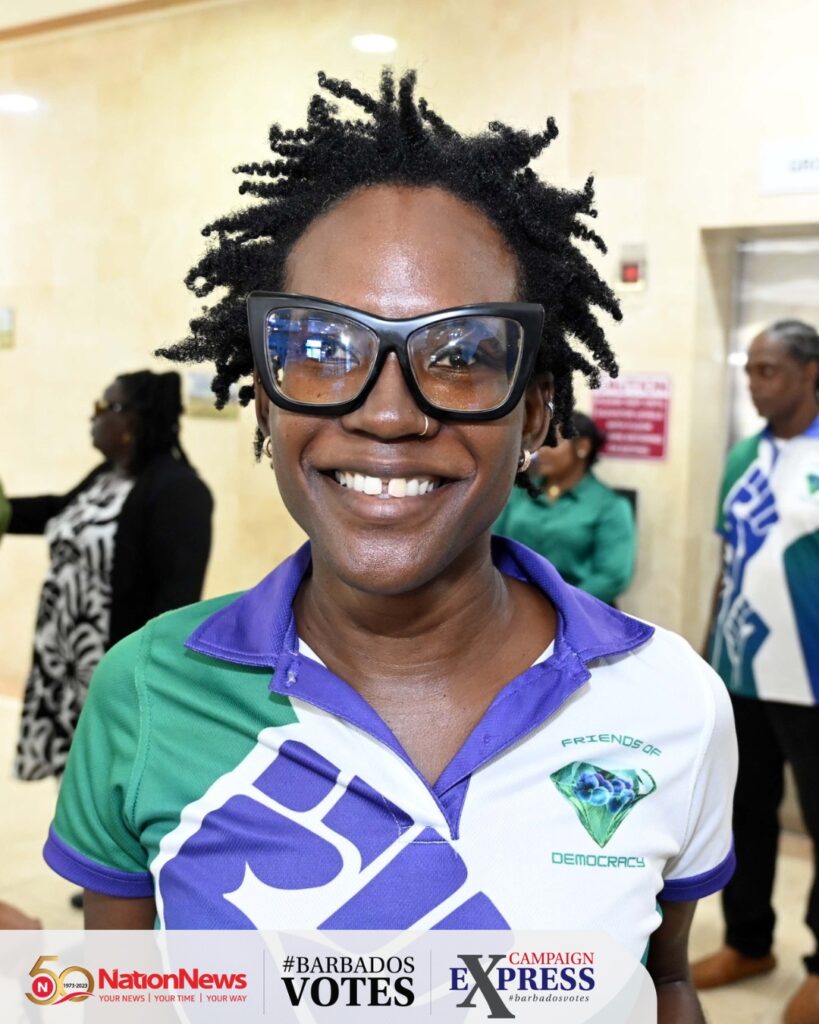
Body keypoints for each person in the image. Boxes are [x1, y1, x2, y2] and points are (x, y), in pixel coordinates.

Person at [43, 71, 735, 1021]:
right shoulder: (148, 690)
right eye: (324, 346)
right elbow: (118, 1000)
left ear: (536, 414)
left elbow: (663, 980)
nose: (387, 413)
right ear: (264, 395)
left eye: (460, 355)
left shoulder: (669, 702)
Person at [692, 320, 819, 1024]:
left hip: (814, 677)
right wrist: (707, 656)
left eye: (768, 371)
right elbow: (729, 564)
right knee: (744, 813)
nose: (753, 383)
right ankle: (747, 942)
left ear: (810, 373)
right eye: (749, 370)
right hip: (742, 671)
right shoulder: (743, 456)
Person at [2, 370, 213, 781]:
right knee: (71, 781)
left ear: (132, 419)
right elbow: (58, 512)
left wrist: (144, 687)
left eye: (104, 407)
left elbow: (176, 603)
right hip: (65, 661)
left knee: (103, 781)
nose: (93, 417)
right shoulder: (109, 475)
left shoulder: (178, 490)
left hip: (109, 672)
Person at [494, 412, 635, 604]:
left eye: (553, 442)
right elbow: (493, 548)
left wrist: (558, 604)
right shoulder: (519, 493)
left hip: (578, 609)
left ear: (583, 447)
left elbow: (611, 577)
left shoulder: (610, 506)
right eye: (540, 441)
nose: (541, 450)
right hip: (512, 604)